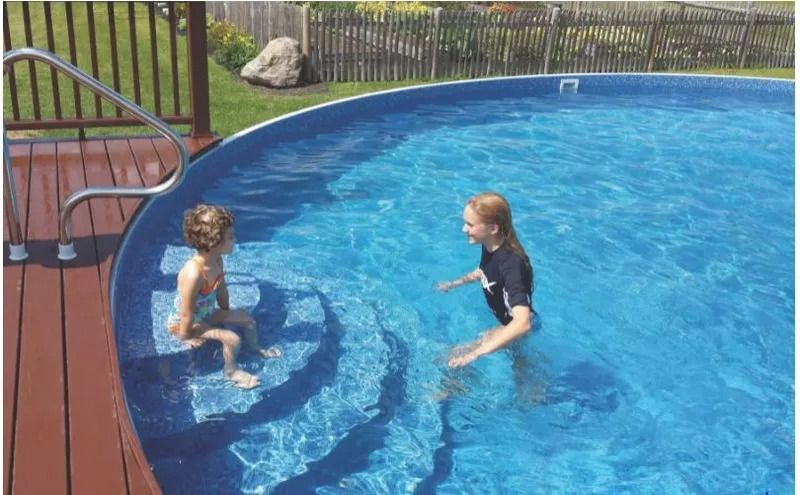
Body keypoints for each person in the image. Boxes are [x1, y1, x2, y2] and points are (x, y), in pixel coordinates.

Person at [167, 204, 281, 389]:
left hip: (207, 313)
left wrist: (227, 313)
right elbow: (186, 313)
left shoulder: (217, 260)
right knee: (232, 339)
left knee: (248, 320)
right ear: (214, 242)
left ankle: (254, 349)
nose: (235, 240)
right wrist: (186, 337)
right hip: (185, 323)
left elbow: (221, 288)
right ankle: (231, 371)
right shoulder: (193, 273)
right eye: (230, 237)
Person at [437, 192, 535, 368]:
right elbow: (484, 271)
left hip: (514, 328)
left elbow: (523, 322)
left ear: (493, 228)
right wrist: (454, 284)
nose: (463, 229)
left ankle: (446, 393)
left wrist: (475, 354)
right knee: (521, 371)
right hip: (506, 324)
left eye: (470, 224)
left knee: (456, 357)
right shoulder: (490, 246)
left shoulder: (511, 265)